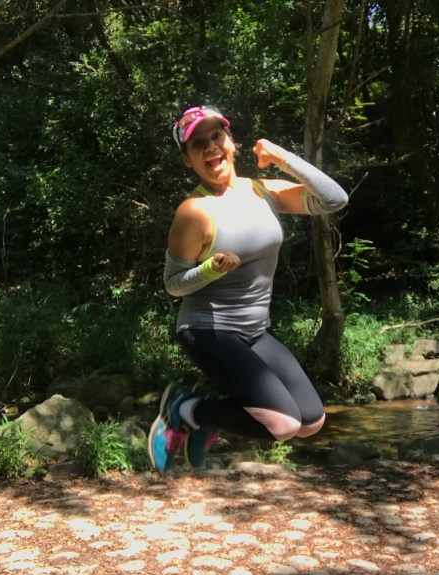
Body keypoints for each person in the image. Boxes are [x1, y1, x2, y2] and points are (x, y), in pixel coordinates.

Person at [148, 105, 349, 472]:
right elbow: (173, 286)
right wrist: (210, 269)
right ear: (187, 159)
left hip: (257, 331)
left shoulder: (262, 190)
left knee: (311, 421)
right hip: (207, 329)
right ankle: (188, 410)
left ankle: (208, 410)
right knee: (283, 425)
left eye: (216, 136)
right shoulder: (194, 211)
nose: (211, 147)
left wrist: (283, 158)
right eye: (198, 144)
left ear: (231, 141)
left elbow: (334, 199)